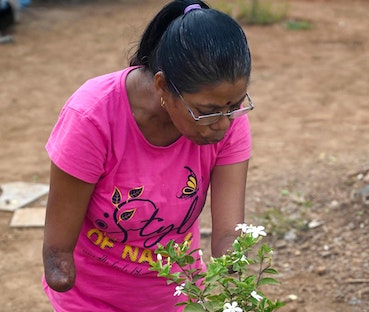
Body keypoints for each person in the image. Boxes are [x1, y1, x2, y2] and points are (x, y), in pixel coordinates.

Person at [42, 0, 253, 311]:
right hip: (91, 300)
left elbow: (226, 237)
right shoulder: (92, 117)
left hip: (180, 297)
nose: (223, 124)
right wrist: (60, 273)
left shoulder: (227, 120)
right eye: (207, 112)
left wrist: (240, 288)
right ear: (163, 86)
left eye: (234, 107)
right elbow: (58, 251)